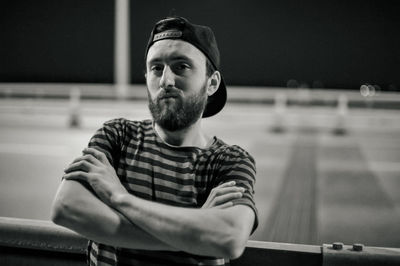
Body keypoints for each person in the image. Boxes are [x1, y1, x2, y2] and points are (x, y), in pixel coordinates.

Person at [51, 16, 258, 266]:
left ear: (212, 83)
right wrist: (193, 235)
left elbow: (228, 238)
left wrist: (119, 197)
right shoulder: (118, 135)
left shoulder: (229, 161)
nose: (165, 81)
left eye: (181, 66)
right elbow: (66, 207)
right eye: (156, 68)